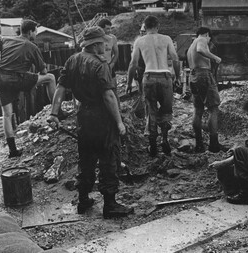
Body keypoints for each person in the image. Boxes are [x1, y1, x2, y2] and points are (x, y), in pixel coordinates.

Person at [48, 26, 133, 218]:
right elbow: (108, 96)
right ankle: (110, 205)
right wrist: (119, 122)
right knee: (109, 158)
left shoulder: (72, 60)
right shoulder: (99, 64)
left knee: (86, 159)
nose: (106, 45)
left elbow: (60, 88)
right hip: (103, 117)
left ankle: (83, 199)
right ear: (95, 45)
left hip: (83, 116)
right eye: (103, 42)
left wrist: (54, 113)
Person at [0, 19, 56, 158]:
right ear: (30, 32)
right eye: (35, 31)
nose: (36, 34)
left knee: (6, 115)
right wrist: (34, 77)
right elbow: (44, 72)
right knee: (51, 78)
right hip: (17, 78)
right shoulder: (32, 46)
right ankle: (56, 111)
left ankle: (13, 151)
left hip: (0, 78)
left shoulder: (6, 40)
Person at [127, 15, 180, 157]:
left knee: (151, 110)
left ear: (145, 26)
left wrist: (128, 82)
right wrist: (178, 77)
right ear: (158, 26)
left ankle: (152, 144)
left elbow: (133, 64)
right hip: (165, 76)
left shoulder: (140, 41)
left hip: (149, 76)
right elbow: (175, 59)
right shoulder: (166, 39)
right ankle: (164, 138)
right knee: (166, 110)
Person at [186, 27, 223, 153]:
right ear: (207, 34)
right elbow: (201, 49)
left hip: (193, 76)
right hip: (203, 74)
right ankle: (214, 145)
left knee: (198, 110)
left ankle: (199, 144)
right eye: (209, 38)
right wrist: (215, 58)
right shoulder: (202, 39)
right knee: (213, 109)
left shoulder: (191, 45)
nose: (208, 40)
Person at [98, 18, 119, 89]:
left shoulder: (113, 38)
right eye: (107, 29)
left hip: (109, 66)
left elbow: (116, 53)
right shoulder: (95, 39)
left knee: (113, 87)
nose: (110, 31)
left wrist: (112, 64)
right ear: (101, 29)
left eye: (110, 29)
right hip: (98, 68)